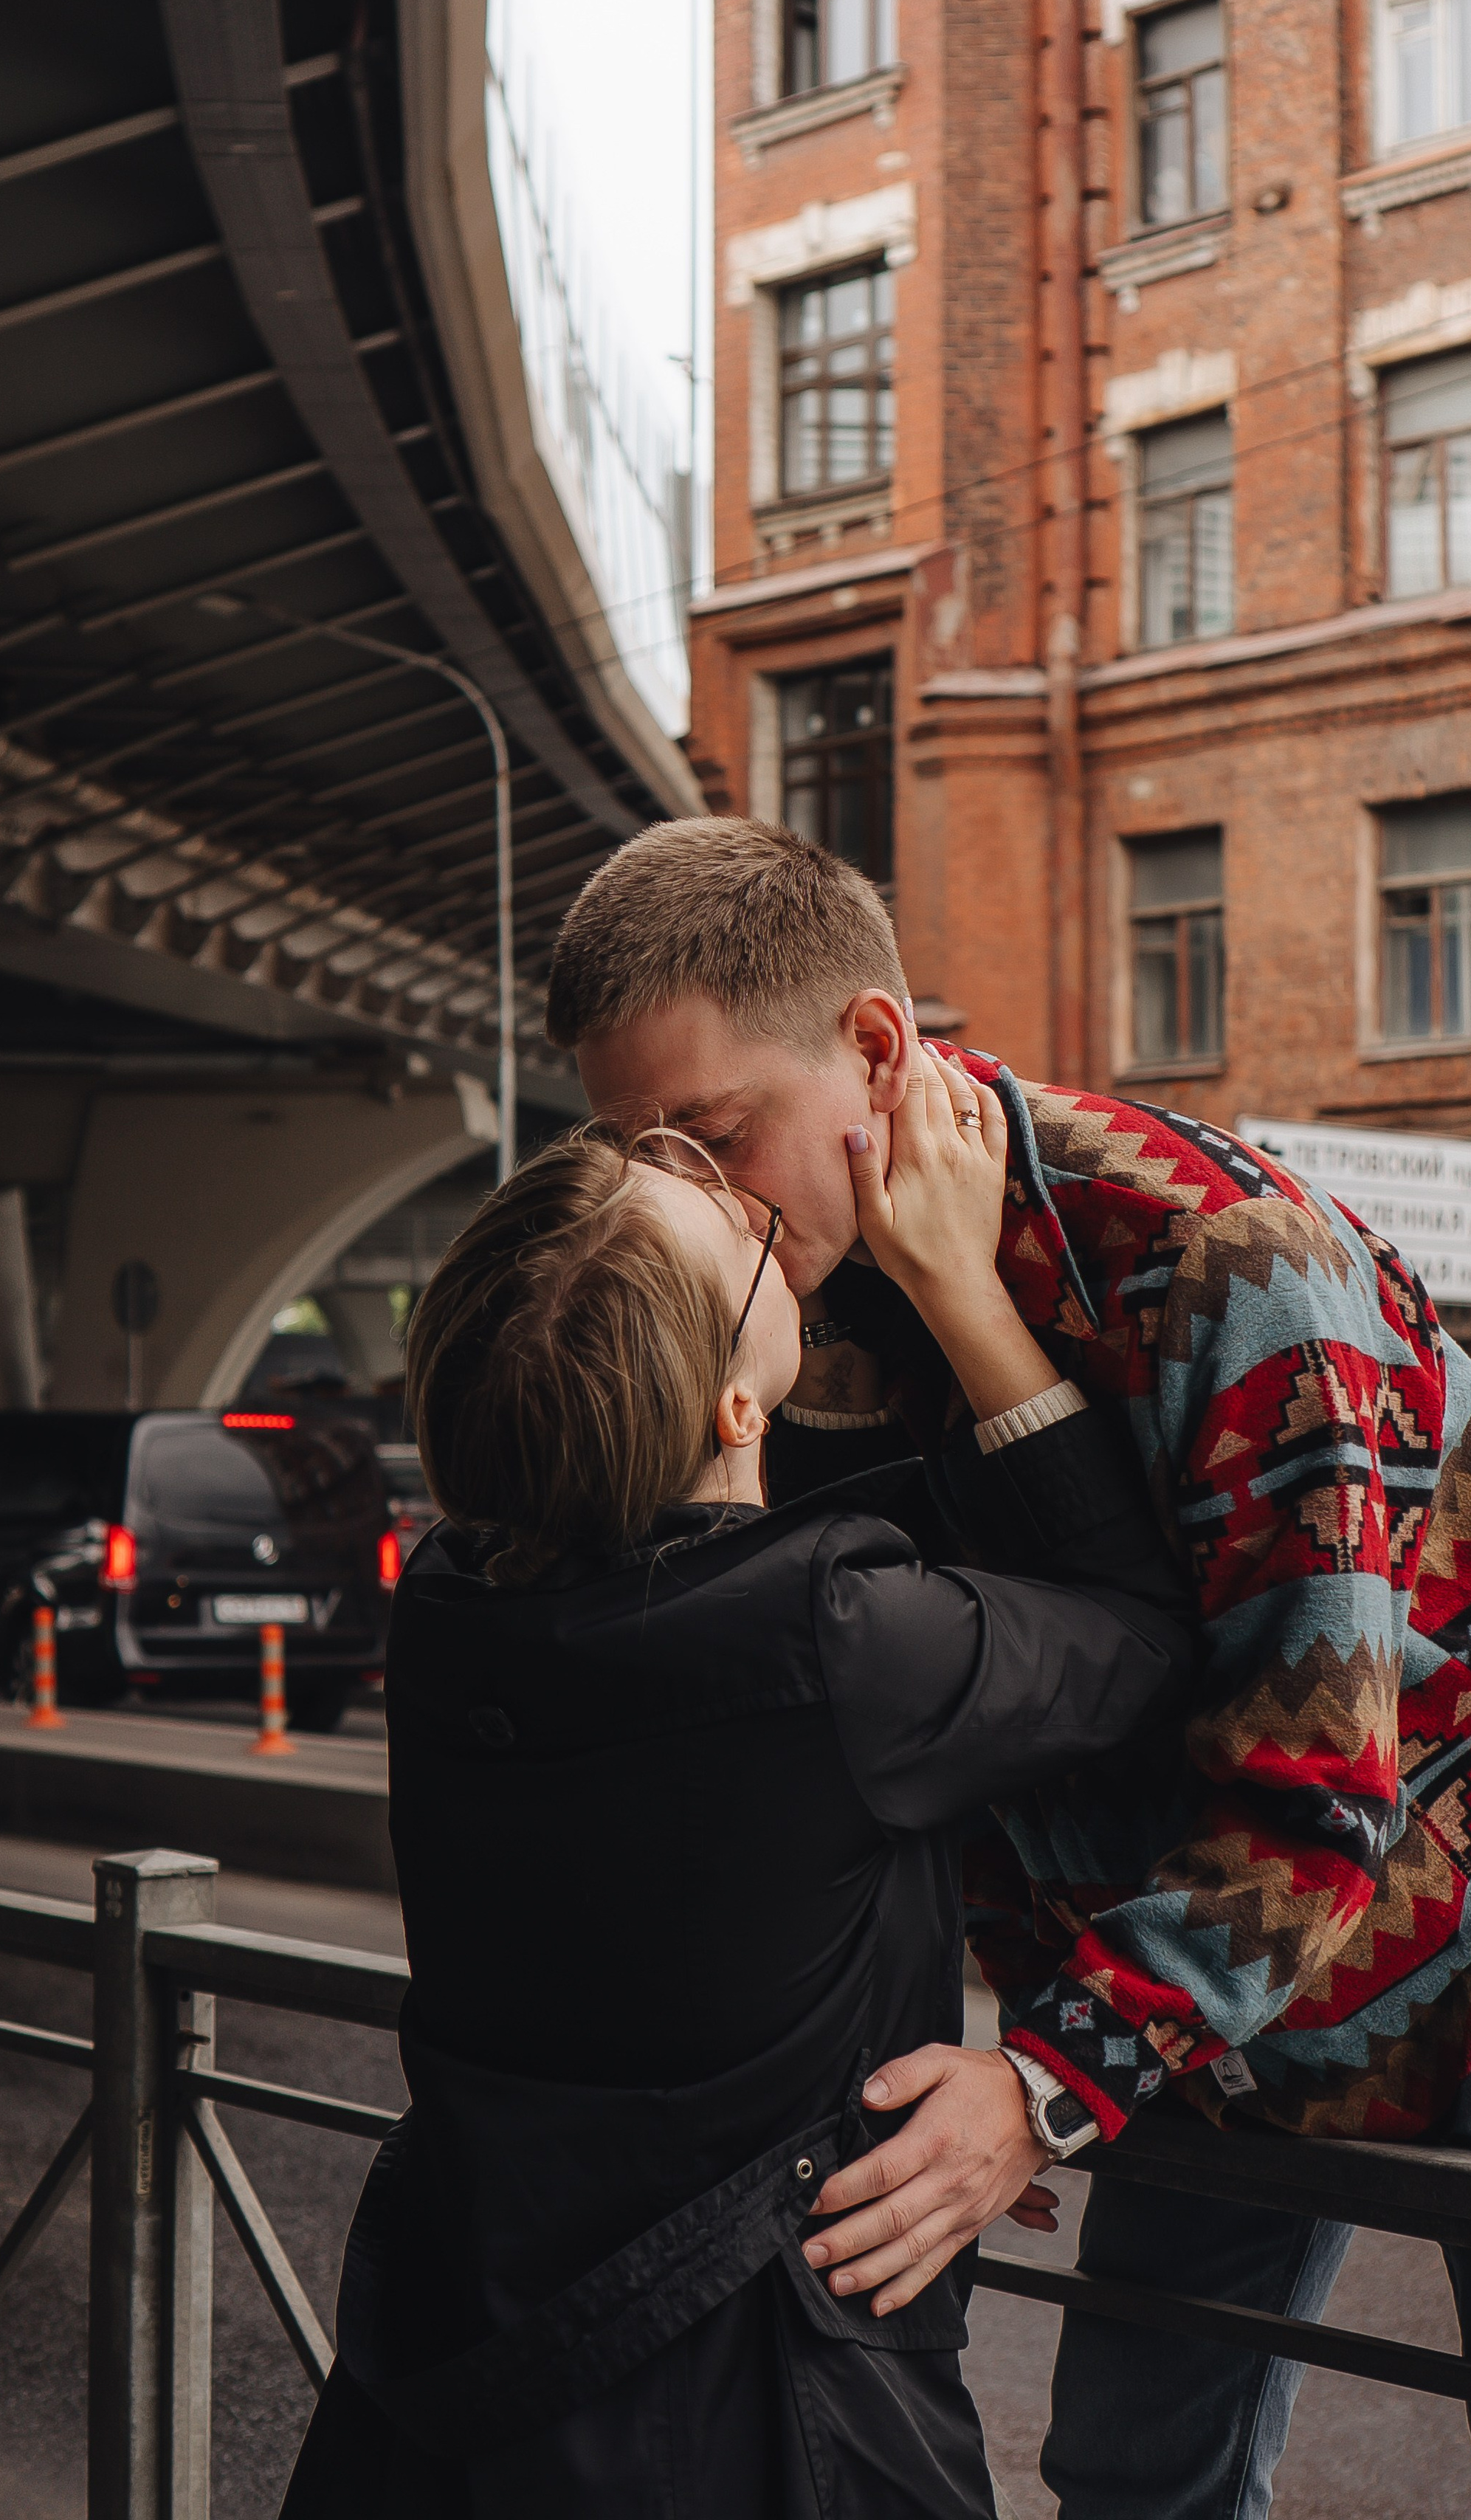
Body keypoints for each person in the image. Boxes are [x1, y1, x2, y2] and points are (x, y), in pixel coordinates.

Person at [548, 814, 1471, 2520]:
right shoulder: (778, 1307)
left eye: (717, 1137)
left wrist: (1042, 2088)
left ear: (875, 1051)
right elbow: (925, 1723)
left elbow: (1312, 1787)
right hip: (1208, 1906)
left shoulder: (1223, 1259)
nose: (683, 1203)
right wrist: (1036, 2049)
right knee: (1129, 2472)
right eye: (638, 1153)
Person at [279, 1050, 1195, 2519]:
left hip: (470, 2392)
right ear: (734, 1410)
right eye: (737, 1236)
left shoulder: (445, 1606)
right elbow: (1140, 1636)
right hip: (778, 2425)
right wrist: (961, 1294)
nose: (752, 1204)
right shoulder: (842, 1644)